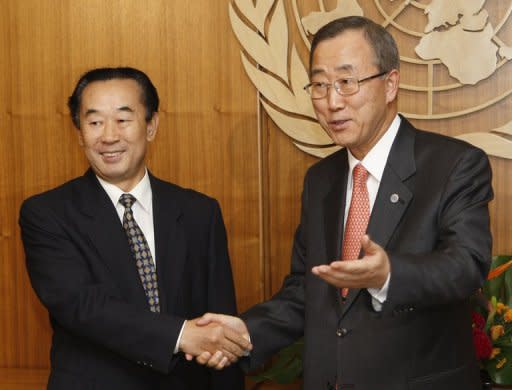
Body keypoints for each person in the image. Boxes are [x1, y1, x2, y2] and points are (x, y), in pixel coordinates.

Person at [195, 16, 494, 389]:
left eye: (347, 82)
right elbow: (310, 290)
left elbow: (466, 267)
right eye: (320, 85)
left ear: (390, 84)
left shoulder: (454, 165)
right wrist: (244, 331)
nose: (332, 102)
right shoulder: (321, 180)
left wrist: (388, 275)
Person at [19, 67, 250, 389]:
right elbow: (81, 305)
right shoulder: (47, 213)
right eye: (95, 121)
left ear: (151, 125)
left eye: (123, 119)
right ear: (79, 132)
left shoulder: (199, 211)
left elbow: (219, 319)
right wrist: (181, 335)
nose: (109, 135)